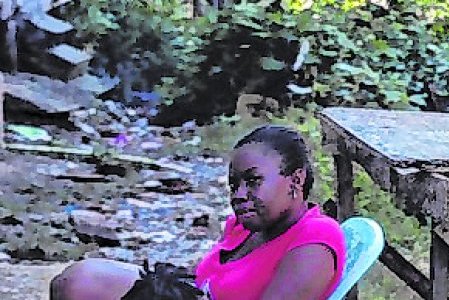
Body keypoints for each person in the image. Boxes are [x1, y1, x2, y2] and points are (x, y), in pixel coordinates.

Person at [51, 125, 347, 300]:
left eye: (253, 181)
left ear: (295, 180)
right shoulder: (245, 227)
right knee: (77, 281)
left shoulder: (316, 236)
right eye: (234, 185)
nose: (239, 195)